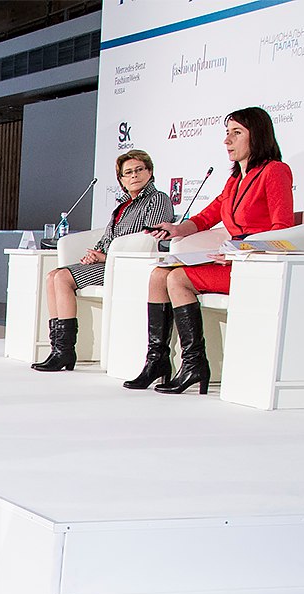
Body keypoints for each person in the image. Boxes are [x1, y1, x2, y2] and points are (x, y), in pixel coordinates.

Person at [126, 106, 294, 395]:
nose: (227, 140)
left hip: (255, 267)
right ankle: (157, 360)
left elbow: (282, 229)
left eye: (236, 133)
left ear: (258, 135)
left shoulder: (275, 171)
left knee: (177, 278)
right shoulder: (235, 180)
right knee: (158, 274)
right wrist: (176, 229)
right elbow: (207, 216)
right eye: (227, 133)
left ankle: (194, 364)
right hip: (233, 260)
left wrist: (240, 250)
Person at [32, 147, 174, 373]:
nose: (134, 176)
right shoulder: (123, 205)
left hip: (128, 266)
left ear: (150, 172)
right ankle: (57, 348)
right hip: (108, 263)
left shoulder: (158, 199)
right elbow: (108, 237)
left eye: (139, 170)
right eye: (128, 173)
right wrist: (95, 253)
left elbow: (150, 237)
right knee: (52, 276)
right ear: (121, 180)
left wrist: (105, 256)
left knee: (62, 278)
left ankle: (65, 352)